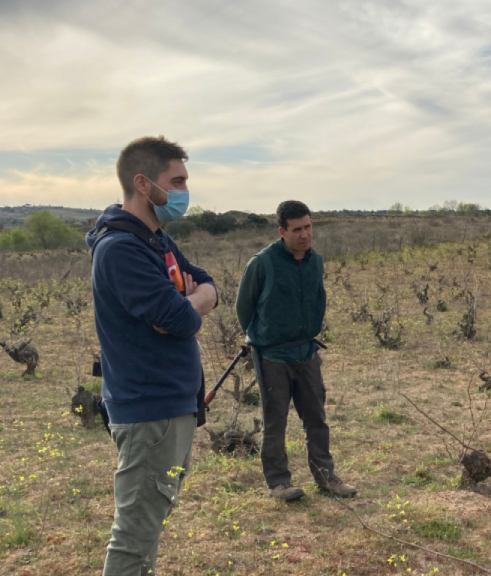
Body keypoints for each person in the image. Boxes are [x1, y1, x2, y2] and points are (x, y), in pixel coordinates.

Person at [87, 136, 217, 576]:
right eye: (175, 181)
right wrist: (193, 303)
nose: (182, 191)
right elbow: (177, 318)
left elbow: (205, 283)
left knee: (147, 525)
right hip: (150, 411)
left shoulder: (154, 239)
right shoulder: (121, 248)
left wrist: (191, 301)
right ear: (143, 184)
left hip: (168, 407)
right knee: (135, 534)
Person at [235, 200, 357, 501]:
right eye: (297, 229)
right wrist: (261, 339)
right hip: (272, 355)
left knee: (316, 418)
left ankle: (327, 478)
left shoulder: (316, 261)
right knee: (275, 421)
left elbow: (317, 298)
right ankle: (279, 482)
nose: (305, 234)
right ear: (282, 231)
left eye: (308, 227)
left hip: (306, 352)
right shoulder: (262, 263)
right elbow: (244, 308)